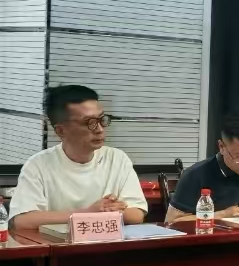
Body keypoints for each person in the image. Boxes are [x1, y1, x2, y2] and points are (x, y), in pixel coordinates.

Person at [9, 85, 147, 230]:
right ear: (61, 131)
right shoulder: (38, 165)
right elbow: (22, 220)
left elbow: (136, 214)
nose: (100, 129)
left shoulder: (117, 158)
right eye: (89, 122)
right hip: (58, 243)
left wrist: (104, 211)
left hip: (107, 241)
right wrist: (87, 213)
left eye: (101, 119)